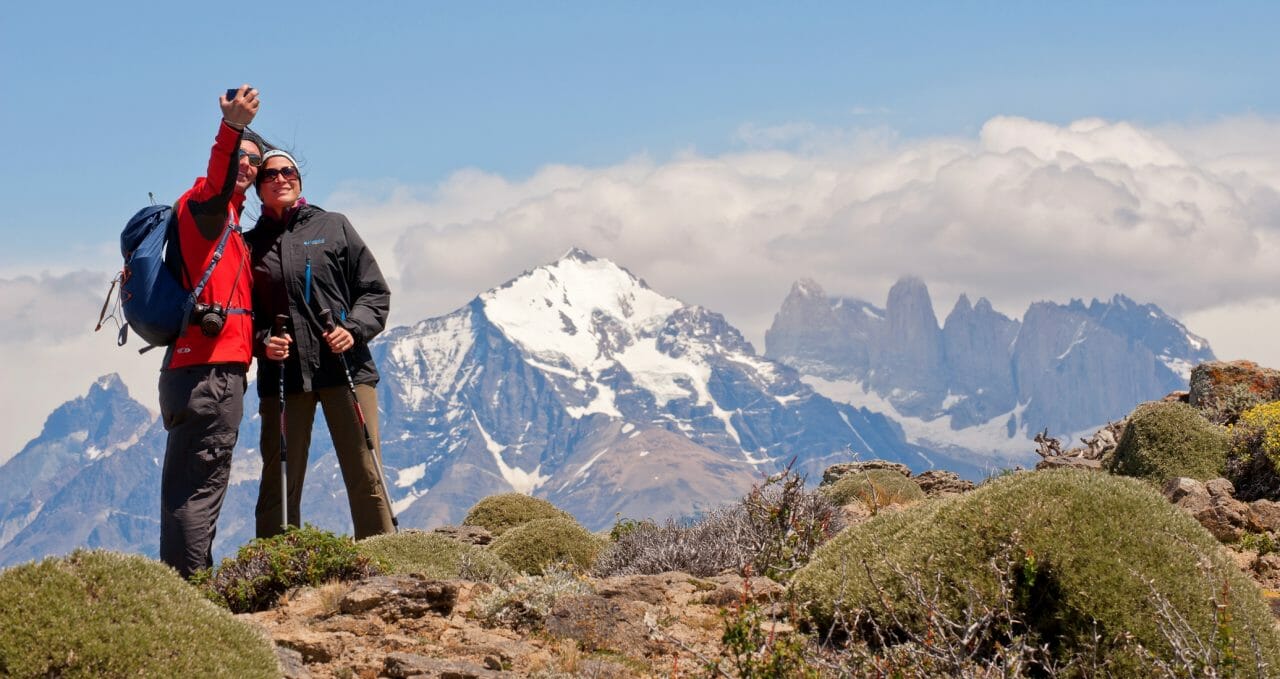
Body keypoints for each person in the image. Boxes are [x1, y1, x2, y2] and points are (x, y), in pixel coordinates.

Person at [246, 149, 396, 539]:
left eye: (289, 171)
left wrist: (354, 328)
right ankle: (273, 571)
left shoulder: (334, 226)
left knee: (366, 473)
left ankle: (384, 567)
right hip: (284, 377)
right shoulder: (248, 246)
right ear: (258, 188)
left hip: (346, 369)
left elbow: (374, 292)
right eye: (271, 174)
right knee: (279, 479)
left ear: (299, 179)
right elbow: (241, 314)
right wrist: (263, 342)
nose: (281, 178)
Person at [159, 85, 263, 578]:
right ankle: (191, 599)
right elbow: (218, 181)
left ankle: (181, 593)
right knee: (198, 493)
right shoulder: (206, 207)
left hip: (198, 371)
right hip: (210, 375)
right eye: (241, 157)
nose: (247, 165)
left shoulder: (231, 225)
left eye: (254, 162)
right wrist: (232, 128)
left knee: (191, 489)